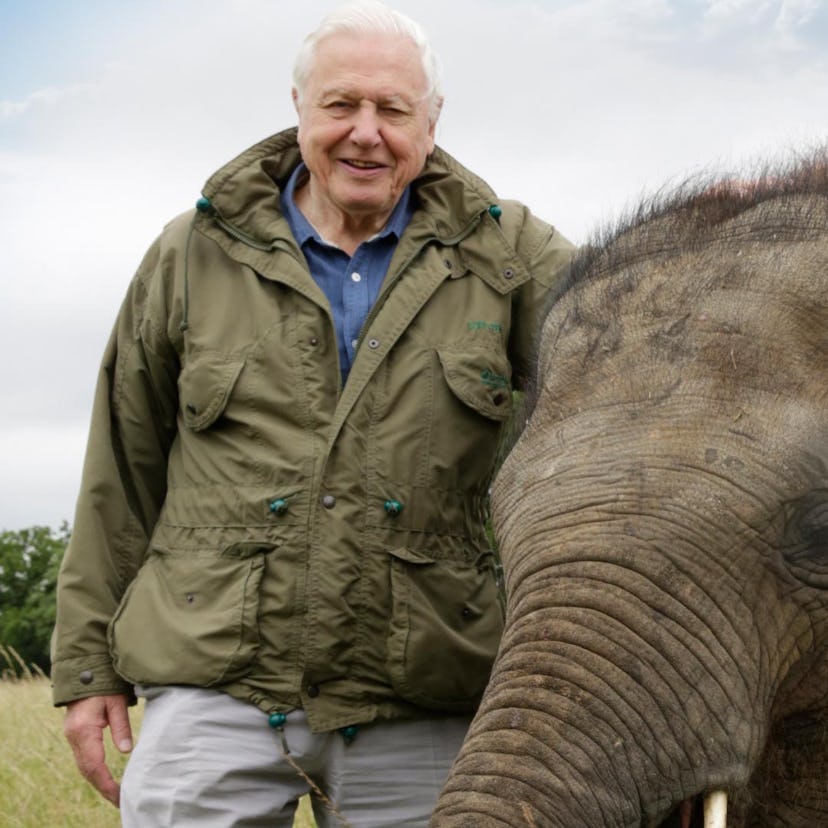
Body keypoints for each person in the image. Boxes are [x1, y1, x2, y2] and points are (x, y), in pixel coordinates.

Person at [51, 2, 573, 826]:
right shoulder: (190, 251)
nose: (365, 132)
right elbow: (121, 464)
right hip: (212, 686)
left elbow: (635, 345)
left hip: (424, 697)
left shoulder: (512, 256)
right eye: (341, 105)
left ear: (430, 124)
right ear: (300, 111)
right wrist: (88, 670)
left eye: (393, 111)